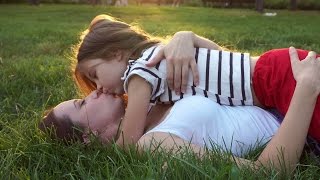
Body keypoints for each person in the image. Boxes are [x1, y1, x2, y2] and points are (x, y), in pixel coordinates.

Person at [39, 47, 320, 173]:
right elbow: (269, 170)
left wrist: (187, 37)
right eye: (81, 103)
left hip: (281, 90)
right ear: (88, 136)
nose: (95, 91)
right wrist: (305, 91)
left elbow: (228, 73)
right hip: (304, 120)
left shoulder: (149, 99)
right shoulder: (153, 143)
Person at [73, 14, 320, 146]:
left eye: (95, 74)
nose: (99, 87)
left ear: (115, 53)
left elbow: (129, 142)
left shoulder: (139, 76)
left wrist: (103, 145)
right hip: (272, 76)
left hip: (276, 80)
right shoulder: (157, 58)